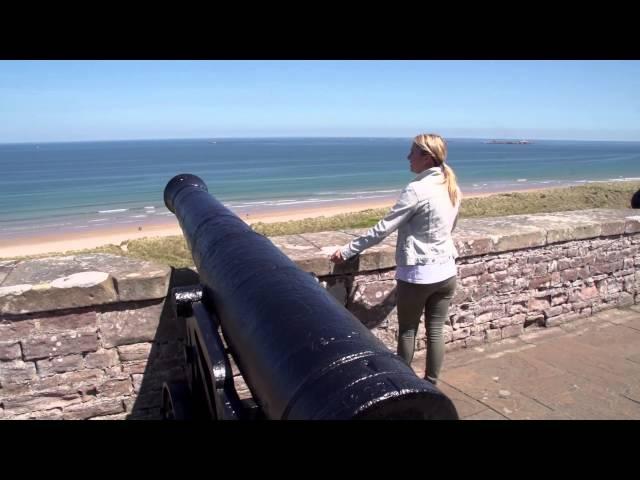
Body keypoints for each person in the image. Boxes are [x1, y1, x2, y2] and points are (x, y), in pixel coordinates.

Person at [330, 133, 461, 385]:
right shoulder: (450, 185)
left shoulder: (417, 189)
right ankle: (431, 384)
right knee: (436, 331)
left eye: (412, 152)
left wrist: (347, 251)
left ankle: (404, 384)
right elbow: (450, 227)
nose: (407, 156)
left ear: (426, 157)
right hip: (447, 272)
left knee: (408, 331)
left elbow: (383, 229)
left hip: (419, 275)